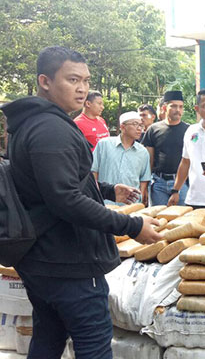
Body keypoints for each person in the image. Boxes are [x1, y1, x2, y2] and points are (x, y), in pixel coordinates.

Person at [1, 46, 162, 359]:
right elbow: (65, 199)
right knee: (93, 347)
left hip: (41, 258)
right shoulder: (50, 128)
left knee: (48, 339)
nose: (82, 88)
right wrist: (132, 225)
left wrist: (106, 190)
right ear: (45, 81)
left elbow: (52, 185)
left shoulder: (30, 123)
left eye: (86, 81)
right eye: (72, 79)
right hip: (68, 261)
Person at [92, 111, 151, 206]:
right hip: (104, 202)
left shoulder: (143, 152)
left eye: (141, 125)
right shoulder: (104, 145)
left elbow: (144, 179)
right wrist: (94, 195)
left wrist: (141, 201)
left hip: (130, 204)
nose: (139, 128)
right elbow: (93, 171)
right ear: (123, 127)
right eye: (135, 124)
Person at [141, 90, 189, 206]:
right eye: (174, 106)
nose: (178, 110)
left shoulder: (189, 130)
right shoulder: (153, 129)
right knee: (158, 216)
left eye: (181, 107)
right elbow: (149, 160)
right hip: (158, 183)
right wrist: (145, 186)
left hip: (182, 184)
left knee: (183, 216)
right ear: (164, 108)